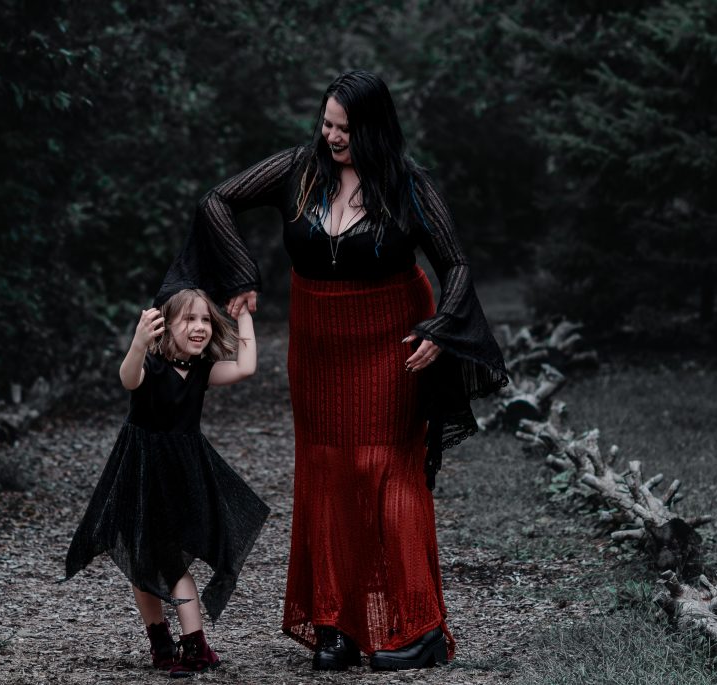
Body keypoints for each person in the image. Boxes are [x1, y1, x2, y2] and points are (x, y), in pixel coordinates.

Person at [157, 70, 508, 671]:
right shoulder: (300, 169)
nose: (332, 136)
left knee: (388, 470)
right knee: (325, 471)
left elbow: (454, 264)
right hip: (318, 345)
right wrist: (243, 274)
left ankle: (418, 629)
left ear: (373, 128)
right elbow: (215, 200)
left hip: (391, 339)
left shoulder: (407, 185)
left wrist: (440, 330)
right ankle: (336, 627)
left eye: (344, 128)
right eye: (326, 124)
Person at [64, 288, 269, 677]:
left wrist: (243, 315)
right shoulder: (151, 367)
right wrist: (139, 341)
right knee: (141, 561)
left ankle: (196, 647)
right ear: (164, 326)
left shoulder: (202, 371)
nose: (200, 327)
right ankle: (160, 640)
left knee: (173, 564)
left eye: (206, 320)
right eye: (189, 320)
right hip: (139, 472)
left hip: (182, 476)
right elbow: (128, 378)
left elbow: (245, 367)